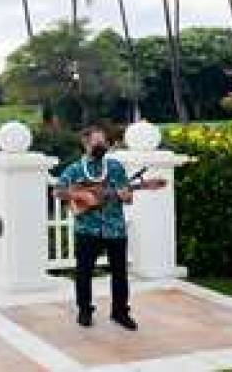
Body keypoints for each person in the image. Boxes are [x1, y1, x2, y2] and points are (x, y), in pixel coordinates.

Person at [55, 125, 138, 330]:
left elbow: (128, 197)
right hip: (87, 229)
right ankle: (84, 310)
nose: (102, 145)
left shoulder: (116, 167)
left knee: (120, 273)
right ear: (86, 143)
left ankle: (120, 312)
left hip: (115, 228)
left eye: (104, 142)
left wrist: (125, 195)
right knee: (84, 272)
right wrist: (82, 196)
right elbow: (58, 191)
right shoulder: (75, 169)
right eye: (97, 142)